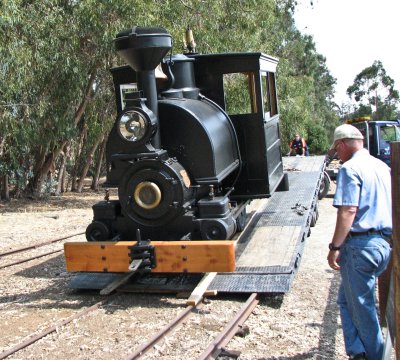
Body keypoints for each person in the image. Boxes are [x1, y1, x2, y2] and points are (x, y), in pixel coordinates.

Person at [327, 124, 392, 360]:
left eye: (337, 149)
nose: (337, 154)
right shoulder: (382, 166)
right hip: (383, 245)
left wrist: (335, 247)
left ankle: (376, 356)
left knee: (364, 311)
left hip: (360, 247)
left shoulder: (350, 169)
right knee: (345, 300)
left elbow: (348, 210)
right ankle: (358, 351)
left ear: (343, 144)